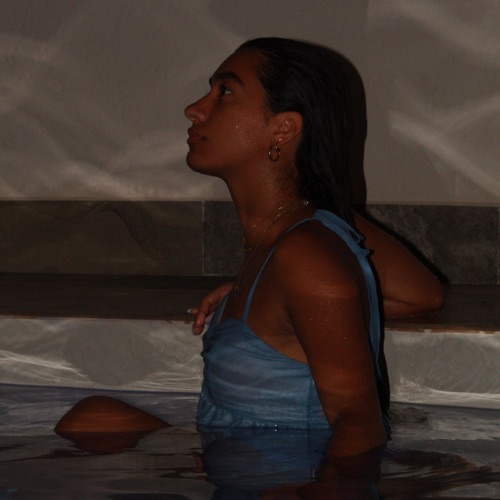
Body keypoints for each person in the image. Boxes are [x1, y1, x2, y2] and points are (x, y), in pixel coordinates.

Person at [55, 38, 443, 460]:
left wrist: (297, 288)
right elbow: (420, 294)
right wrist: (282, 301)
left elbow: (359, 427)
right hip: (235, 460)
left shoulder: (305, 256)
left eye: (224, 91)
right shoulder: (284, 246)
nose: (194, 109)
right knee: (92, 418)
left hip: (283, 477)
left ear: (283, 129)